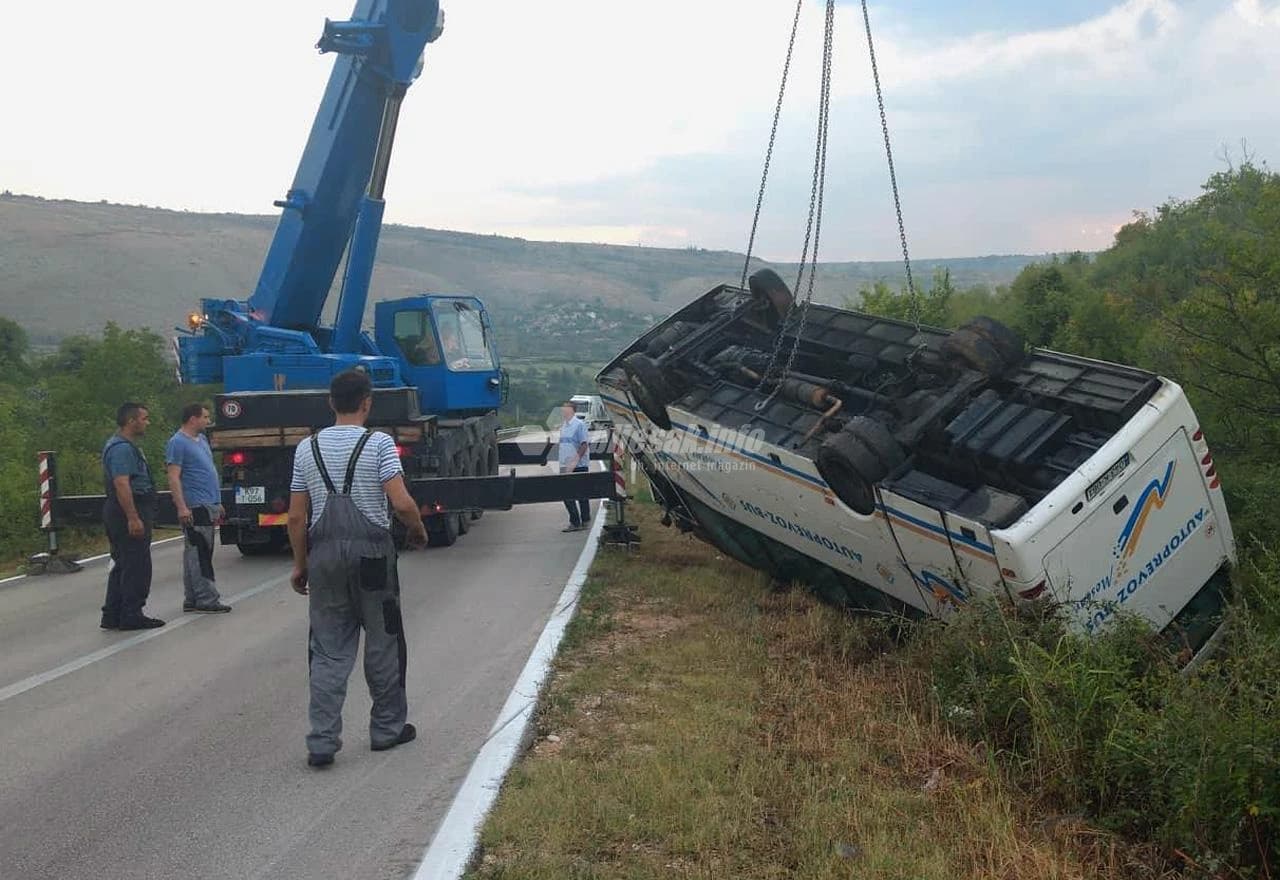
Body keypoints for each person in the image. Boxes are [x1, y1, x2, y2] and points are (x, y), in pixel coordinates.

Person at [287, 369, 429, 768]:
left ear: (330, 403)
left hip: (324, 558)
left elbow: (296, 518)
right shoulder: (378, 443)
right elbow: (401, 503)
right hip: (373, 558)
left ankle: (322, 740)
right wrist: (417, 530)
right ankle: (386, 729)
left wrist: (301, 565)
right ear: (367, 403)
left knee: (328, 650)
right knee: (383, 642)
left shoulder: (306, 448)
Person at [101, 402, 163, 630]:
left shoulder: (121, 445)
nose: (148, 423)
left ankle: (112, 614)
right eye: (144, 418)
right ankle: (131, 614)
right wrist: (133, 517)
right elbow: (121, 483)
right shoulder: (121, 449)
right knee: (136, 564)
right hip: (127, 509)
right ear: (131, 421)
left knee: (123, 562)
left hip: (122, 509)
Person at [165, 403, 231, 614]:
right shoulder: (177, 443)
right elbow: (173, 477)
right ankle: (206, 598)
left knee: (196, 552)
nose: (208, 421)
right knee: (199, 552)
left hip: (209, 502)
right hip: (195, 504)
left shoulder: (201, 440)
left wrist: (217, 501)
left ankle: (192, 597)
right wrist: (182, 507)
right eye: (205, 417)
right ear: (192, 419)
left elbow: (208, 471)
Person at [558, 401, 591, 531]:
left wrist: (575, 461)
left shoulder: (579, 425)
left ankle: (585, 520)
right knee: (566, 495)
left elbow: (584, 444)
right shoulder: (564, 426)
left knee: (582, 494)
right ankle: (575, 522)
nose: (563, 410)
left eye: (566, 408)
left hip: (578, 465)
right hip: (565, 465)